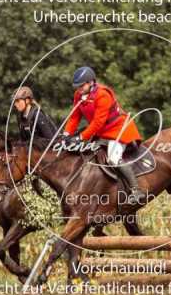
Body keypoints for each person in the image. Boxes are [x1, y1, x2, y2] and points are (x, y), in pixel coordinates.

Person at [62, 66, 146, 204]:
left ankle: (136, 190)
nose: (79, 89)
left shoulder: (102, 95)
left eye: (82, 86)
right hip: (101, 133)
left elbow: (97, 122)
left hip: (118, 130)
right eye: (77, 86)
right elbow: (74, 117)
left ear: (91, 82)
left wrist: (80, 137)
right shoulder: (79, 95)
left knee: (113, 158)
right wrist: (66, 134)